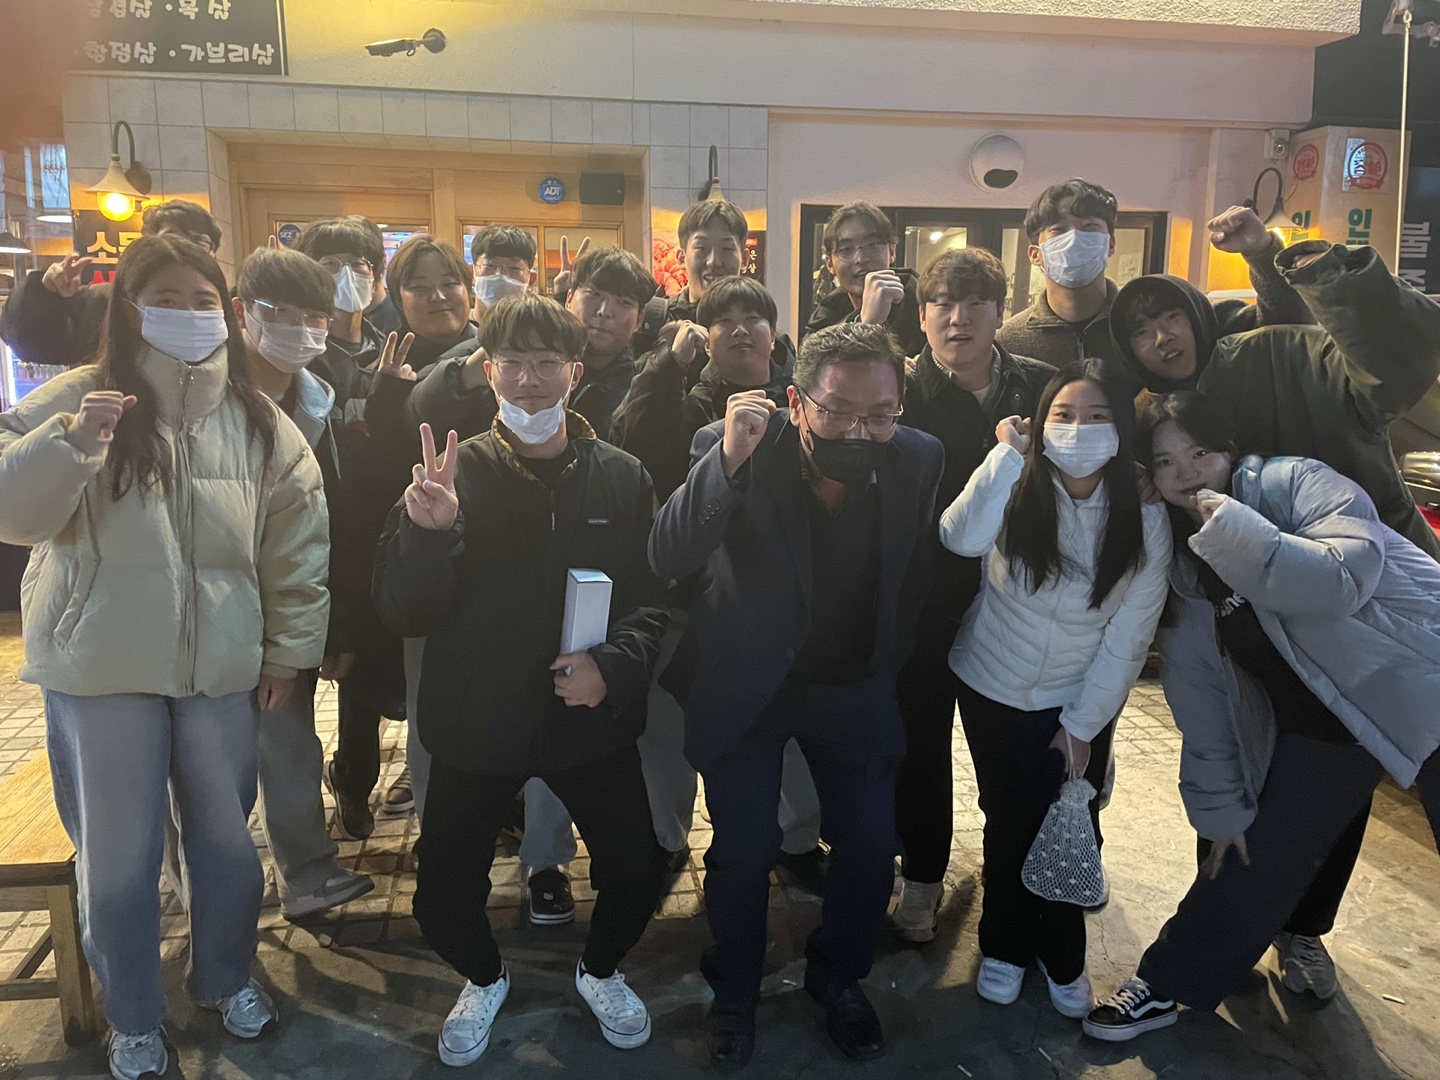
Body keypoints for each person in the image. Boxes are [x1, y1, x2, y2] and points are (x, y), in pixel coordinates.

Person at [0, 234, 330, 1080]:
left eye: (202, 300)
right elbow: (14, 515)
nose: (187, 315)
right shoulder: (76, 398)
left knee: (226, 845)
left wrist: (287, 654)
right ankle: (134, 1014)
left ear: (227, 311)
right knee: (118, 862)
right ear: (129, 309)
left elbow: (297, 550)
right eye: (167, 299)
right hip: (101, 671)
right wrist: (74, 442)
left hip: (220, 670)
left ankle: (224, 977)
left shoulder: (260, 422)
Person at [1084, 391, 1440, 1042]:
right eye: (1165, 462)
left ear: (1229, 449)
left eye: (1200, 452)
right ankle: (1166, 982)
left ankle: (1298, 938)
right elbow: (1201, 699)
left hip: (1426, 688)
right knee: (1251, 852)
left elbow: (1343, 579)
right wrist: (1219, 810)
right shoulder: (1189, 568)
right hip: (1332, 725)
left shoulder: (1294, 483)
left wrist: (1235, 534)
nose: (1187, 472)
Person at [371, 293, 669, 1068]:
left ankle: (599, 970)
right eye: (513, 363)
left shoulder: (622, 476)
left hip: (588, 717)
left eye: (546, 363)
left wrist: (614, 667)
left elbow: (652, 601)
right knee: (442, 895)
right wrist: (429, 534)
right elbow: (402, 609)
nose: (530, 380)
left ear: (575, 372)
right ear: (488, 371)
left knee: (639, 870)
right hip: (477, 720)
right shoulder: (450, 473)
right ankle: (484, 977)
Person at [650, 322, 944, 1066]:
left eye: (880, 415)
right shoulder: (738, 444)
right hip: (748, 680)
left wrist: (886, 661)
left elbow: (912, 572)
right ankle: (734, 990)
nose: (860, 431)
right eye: (838, 412)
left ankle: (837, 976)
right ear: (796, 401)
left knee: (871, 848)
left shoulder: (917, 457)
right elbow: (668, 553)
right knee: (745, 849)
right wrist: (726, 461)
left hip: (852, 682)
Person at [938, 360, 1170, 1020]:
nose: (1079, 429)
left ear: (1122, 431)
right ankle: (1005, 946)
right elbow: (960, 538)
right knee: (1008, 816)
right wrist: (1005, 457)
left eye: (1097, 416)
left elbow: (1130, 635)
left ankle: (1063, 953)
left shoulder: (1144, 516)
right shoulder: (1015, 484)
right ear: (1039, 424)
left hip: (1074, 695)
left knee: (1071, 820)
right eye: (1063, 415)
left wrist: (1083, 724)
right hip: (991, 682)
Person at [610, 274, 818, 887]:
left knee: (785, 728)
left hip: (766, 600)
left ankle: (797, 839)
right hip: (676, 590)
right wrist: (665, 370)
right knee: (665, 726)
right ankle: (666, 836)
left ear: (774, 334)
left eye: (753, 318)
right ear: (705, 336)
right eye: (723, 320)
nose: (739, 330)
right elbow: (631, 441)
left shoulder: (806, 398)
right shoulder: (683, 398)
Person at [891, 247, 1055, 943]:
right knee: (919, 748)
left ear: (1000, 311)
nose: (957, 319)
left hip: (1019, 605)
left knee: (1010, 754)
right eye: (942, 305)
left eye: (974, 304)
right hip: (923, 601)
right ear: (922, 315)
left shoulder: (1041, 387)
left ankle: (1012, 885)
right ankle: (923, 877)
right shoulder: (899, 392)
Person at [1110, 234, 1440, 560]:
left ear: (1196, 315)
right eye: (1141, 331)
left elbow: (1392, 371)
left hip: (1382, 557)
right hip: (1242, 580)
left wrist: (1330, 276)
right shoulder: (1140, 417)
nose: (1162, 337)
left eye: (1173, 317)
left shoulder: (1279, 353)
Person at [231, 246, 376, 917]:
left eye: (314, 316)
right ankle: (209, 892)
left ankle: (306, 874)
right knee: (211, 760)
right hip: (218, 601)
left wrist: (336, 624)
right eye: (281, 312)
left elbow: (335, 516)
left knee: (287, 740)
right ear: (243, 312)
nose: (300, 328)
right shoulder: (207, 394)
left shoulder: (317, 398)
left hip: (292, 595)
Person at [327, 235, 479, 841]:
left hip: (470, 551)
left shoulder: (496, 359)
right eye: (419, 286)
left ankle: (454, 798)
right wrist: (387, 393)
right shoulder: (380, 366)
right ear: (395, 295)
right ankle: (353, 777)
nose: (438, 296)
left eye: (450, 283)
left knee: (453, 681)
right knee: (371, 681)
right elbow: (366, 480)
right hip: (389, 548)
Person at [292, 215, 416, 816]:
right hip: (313, 537)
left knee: (368, 664)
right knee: (320, 667)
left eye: (359, 266)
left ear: (378, 279)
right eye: (331, 265)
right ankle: (333, 786)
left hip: (378, 535)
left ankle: (353, 776)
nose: (347, 277)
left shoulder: (391, 347)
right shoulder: (297, 354)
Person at [996, 183, 1307, 372]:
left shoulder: (1165, 320)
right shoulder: (1008, 342)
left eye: (1089, 227)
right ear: (1035, 254)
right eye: (1059, 230)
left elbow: (1288, 325)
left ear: (1110, 244)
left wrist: (1262, 252)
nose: (1075, 238)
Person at [1, 199, 222, 367]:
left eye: (197, 241)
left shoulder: (223, 308)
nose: (184, 248)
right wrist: (45, 295)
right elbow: (33, 345)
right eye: (172, 238)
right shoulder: (105, 302)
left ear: (213, 253)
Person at [802, 201, 926, 358]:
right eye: (846, 249)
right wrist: (865, 324)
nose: (860, 259)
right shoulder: (825, 321)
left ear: (892, 251)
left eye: (872, 245)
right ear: (830, 264)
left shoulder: (927, 305)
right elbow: (810, 370)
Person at [469, 224, 536, 318]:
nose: (500, 276)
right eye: (489, 266)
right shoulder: (457, 326)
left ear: (531, 280)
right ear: (473, 273)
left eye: (514, 268)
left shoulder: (538, 326)